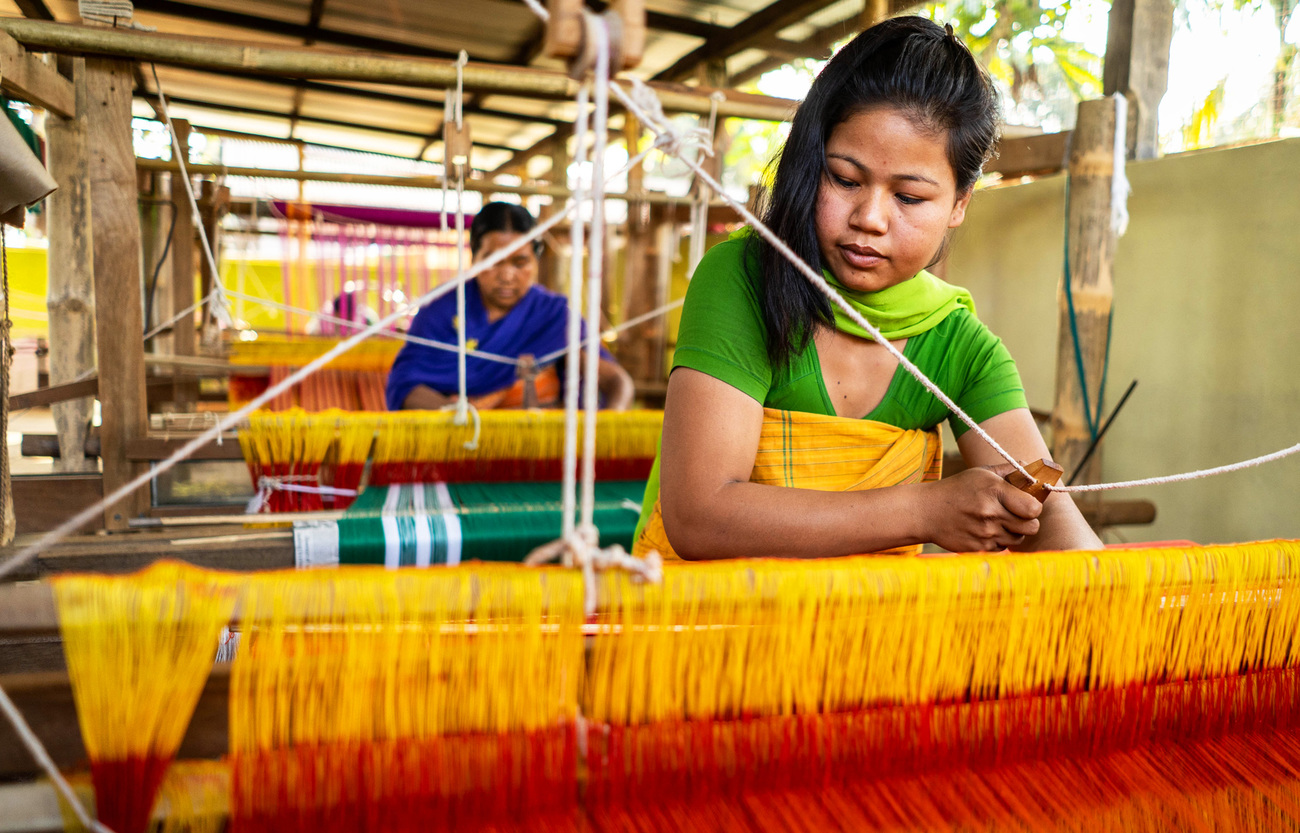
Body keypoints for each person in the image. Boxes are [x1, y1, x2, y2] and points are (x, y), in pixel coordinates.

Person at [634, 17, 1101, 560]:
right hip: (707, 631)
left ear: (959, 204)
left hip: (867, 638)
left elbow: (1065, 544)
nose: (870, 218)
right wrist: (925, 511)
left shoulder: (960, 347)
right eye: (845, 180)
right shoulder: (744, 276)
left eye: (909, 197)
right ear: (810, 165)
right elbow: (701, 516)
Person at [386, 201, 635, 411]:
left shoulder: (553, 317)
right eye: (494, 261)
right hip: (453, 447)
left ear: (535, 261)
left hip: (540, 453)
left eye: (520, 262)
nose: (507, 275)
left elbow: (618, 382)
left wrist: (607, 431)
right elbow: (405, 385)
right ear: (474, 258)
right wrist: (466, 424)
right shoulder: (439, 313)